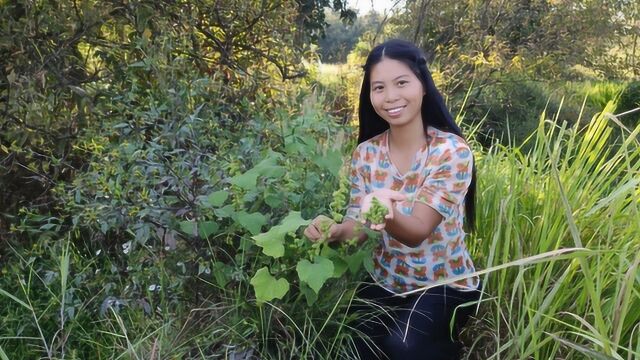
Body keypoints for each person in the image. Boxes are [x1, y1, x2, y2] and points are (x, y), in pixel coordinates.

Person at [304, 39, 481, 360]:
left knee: (404, 347)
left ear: (423, 85)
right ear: (369, 95)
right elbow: (357, 229)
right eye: (379, 87)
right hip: (386, 279)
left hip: (444, 283)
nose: (391, 97)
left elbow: (416, 231)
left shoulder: (450, 151)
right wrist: (333, 231)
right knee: (351, 343)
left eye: (402, 83)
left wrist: (385, 211)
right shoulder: (366, 154)